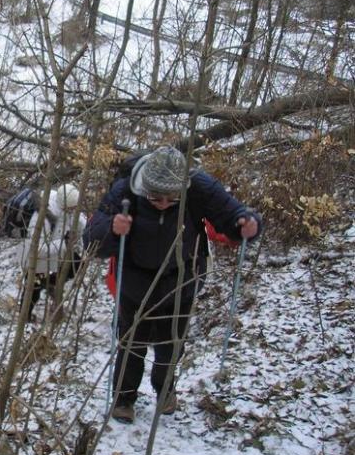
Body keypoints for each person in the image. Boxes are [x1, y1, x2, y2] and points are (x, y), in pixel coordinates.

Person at [83, 146, 261, 423]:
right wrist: (111, 229)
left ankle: (165, 390)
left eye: (172, 198)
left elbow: (233, 214)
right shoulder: (125, 190)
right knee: (131, 343)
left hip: (182, 280)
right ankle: (123, 398)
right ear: (145, 187)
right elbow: (92, 239)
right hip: (134, 281)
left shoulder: (200, 187)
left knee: (171, 344)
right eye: (155, 197)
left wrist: (248, 225)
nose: (164, 203)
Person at [18, 183, 87, 322]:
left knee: (77, 263)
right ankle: (24, 318)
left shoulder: (67, 208)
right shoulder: (42, 216)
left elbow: (80, 222)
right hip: (35, 257)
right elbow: (37, 249)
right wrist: (64, 243)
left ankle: (49, 283)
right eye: (71, 209)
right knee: (32, 289)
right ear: (64, 205)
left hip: (55, 251)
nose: (73, 211)